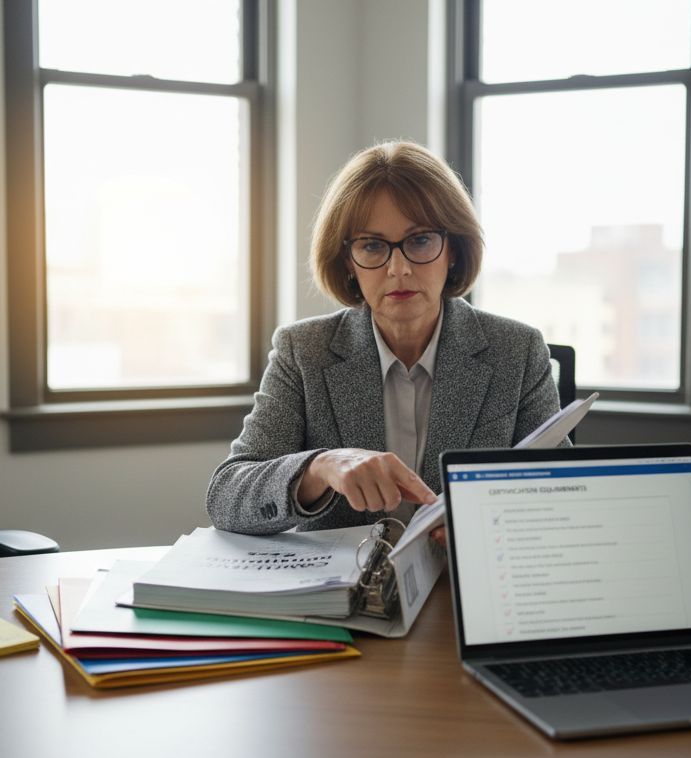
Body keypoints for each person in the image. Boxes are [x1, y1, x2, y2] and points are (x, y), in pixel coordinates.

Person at [206, 141, 564, 538]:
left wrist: (490, 520)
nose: (399, 269)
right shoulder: (303, 351)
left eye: (421, 240)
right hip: (345, 595)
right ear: (348, 261)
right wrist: (320, 467)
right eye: (373, 246)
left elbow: (563, 497)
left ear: (455, 251)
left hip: (464, 587)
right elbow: (226, 495)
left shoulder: (517, 351)